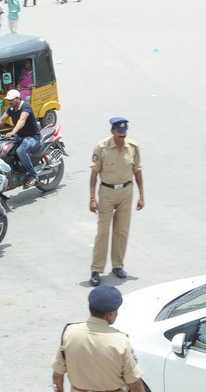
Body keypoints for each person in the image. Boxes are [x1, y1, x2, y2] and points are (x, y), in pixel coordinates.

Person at [51, 286, 145, 392]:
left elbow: (57, 377)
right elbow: (134, 385)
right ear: (110, 314)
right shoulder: (121, 342)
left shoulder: (69, 333)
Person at [89, 118, 144, 286]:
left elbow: (138, 171)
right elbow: (94, 173)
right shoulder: (102, 147)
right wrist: (92, 198)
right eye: (119, 133)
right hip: (106, 193)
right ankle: (96, 270)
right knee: (102, 233)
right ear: (112, 131)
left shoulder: (133, 148)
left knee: (122, 231)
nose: (122, 136)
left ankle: (118, 266)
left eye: (124, 133)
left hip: (126, 192)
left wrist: (142, 195)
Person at [0, 89, 41, 189]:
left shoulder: (25, 107)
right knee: (3, 147)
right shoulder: (11, 109)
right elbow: (1, 121)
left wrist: (12, 132)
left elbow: (22, 120)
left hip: (32, 137)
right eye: (8, 100)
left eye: (11, 100)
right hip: (20, 136)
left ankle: (33, 176)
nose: (9, 102)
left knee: (21, 151)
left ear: (18, 98)